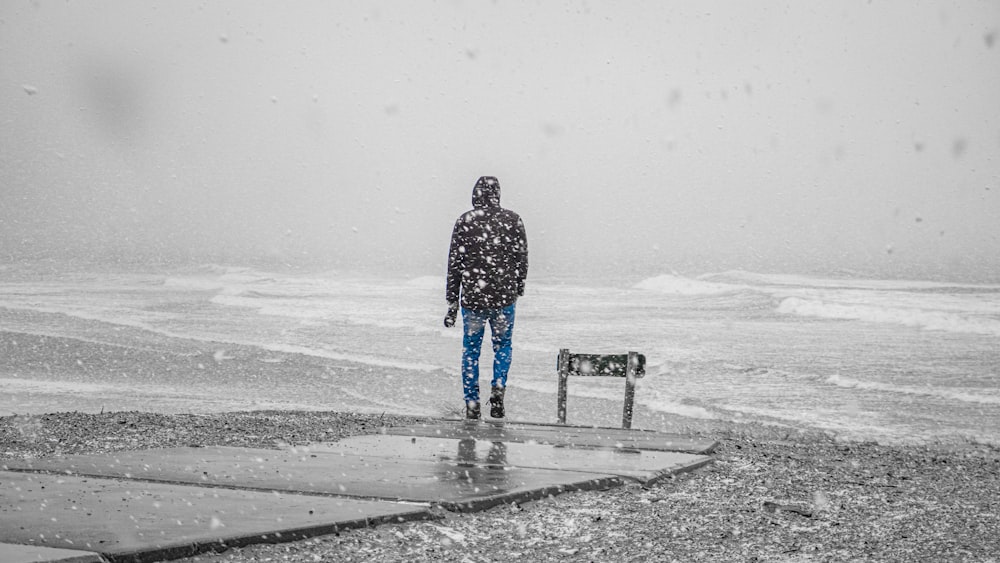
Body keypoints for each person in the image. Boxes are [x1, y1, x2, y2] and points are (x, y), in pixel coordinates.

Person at [444, 176, 528, 420]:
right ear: (497, 194)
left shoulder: (465, 221)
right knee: (503, 346)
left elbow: (454, 264)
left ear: (475, 194)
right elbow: (522, 258)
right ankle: (499, 387)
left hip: (472, 298)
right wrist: (518, 287)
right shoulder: (513, 220)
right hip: (504, 297)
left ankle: (472, 402)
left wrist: (451, 302)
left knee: (471, 352)